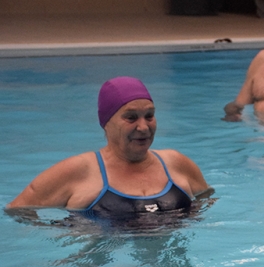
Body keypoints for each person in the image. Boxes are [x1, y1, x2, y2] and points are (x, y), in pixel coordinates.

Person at [6, 76, 211, 219]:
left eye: (149, 116)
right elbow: (17, 210)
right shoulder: (79, 170)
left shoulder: (176, 163)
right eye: (131, 118)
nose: (143, 126)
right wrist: (62, 231)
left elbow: (207, 200)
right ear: (106, 122)